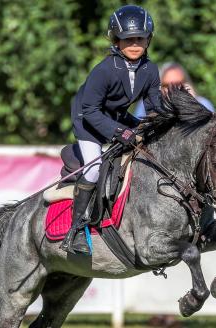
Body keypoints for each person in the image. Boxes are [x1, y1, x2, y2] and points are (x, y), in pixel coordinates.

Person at [60, 5, 161, 255]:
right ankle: (76, 229)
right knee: (94, 169)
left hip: (115, 116)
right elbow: (91, 110)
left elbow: (154, 108)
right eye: (128, 39)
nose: (135, 43)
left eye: (140, 38)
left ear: (148, 39)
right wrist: (120, 133)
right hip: (87, 119)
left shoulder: (150, 69)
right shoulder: (104, 70)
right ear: (116, 40)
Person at [134, 62, 214, 117]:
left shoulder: (202, 104)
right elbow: (136, 135)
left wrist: (193, 105)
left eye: (177, 84)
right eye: (167, 85)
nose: (172, 89)